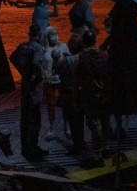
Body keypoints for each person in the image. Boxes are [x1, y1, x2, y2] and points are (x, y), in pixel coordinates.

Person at [10, 24, 49, 160]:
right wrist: (39, 75)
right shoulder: (37, 47)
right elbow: (37, 63)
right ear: (39, 34)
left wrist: (22, 70)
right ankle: (33, 146)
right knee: (35, 117)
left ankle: (24, 146)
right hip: (34, 86)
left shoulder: (22, 46)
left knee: (25, 116)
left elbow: (12, 57)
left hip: (25, 82)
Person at [77, 30, 110, 165]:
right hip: (105, 92)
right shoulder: (104, 54)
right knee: (105, 120)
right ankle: (106, 147)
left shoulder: (82, 57)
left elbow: (79, 77)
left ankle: (97, 155)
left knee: (94, 123)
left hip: (90, 94)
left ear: (83, 42)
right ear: (95, 40)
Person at [54, 33, 85, 154]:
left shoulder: (65, 61)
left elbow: (58, 73)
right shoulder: (83, 58)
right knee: (81, 119)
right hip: (82, 92)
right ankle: (82, 142)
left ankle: (78, 144)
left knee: (73, 121)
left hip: (69, 93)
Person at [42, 26, 70, 140]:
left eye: (56, 33)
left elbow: (68, 60)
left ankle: (67, 127)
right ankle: (51, 128)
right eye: (52, 34)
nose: (55, 36)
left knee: (65, 104)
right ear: (48, 37)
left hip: (62, 80)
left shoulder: (63, 46)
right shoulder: (44, 49)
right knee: (51, 105)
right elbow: (42, 65)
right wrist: (45, 75)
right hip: (49, 81)